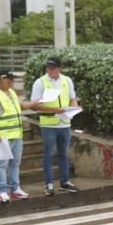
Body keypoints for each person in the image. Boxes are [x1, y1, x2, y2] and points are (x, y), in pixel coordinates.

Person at [30, 56, 80, 195]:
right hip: (49, 124)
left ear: (59, 68)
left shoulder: (66, 80)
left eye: (52, 67)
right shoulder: (40, 82)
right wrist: (53, 110)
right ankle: (49, 183)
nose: (49, 70)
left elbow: (72, 97)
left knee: (63, 153)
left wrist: (74, 108)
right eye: (48, 67)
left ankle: (64, 181)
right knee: (48, 154)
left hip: (64, 122)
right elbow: (34, 105)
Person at [0, 68, 29, 204]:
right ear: (1, 79)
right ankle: (2, 191)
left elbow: (19, 107)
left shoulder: (12, 93)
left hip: (16, 134)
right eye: (9, 78)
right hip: (2, 136)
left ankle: (15, 188)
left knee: (15, 163)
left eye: (12, 78)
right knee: (2, 164)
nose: (12, 81)